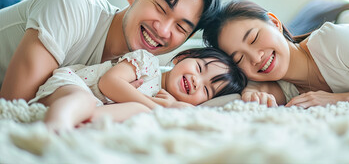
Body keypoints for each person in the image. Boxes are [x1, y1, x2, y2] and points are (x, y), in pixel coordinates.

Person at [0, 0, 221, 102]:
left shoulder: (142, 74)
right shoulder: (72, 3)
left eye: (181, 27)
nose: (163, 31)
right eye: (161, 8)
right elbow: (14, 106)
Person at [203, 0, 349, 108]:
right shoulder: (286, 88)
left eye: (253, 38)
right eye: (239, 59)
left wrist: (338, 100)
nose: (255, 57)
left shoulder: (332, 41)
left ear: (274, 23)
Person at [28, 47, 247, 131]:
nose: (197, 81)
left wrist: (168, 106)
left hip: (92, 107)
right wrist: (156, 107)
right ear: (182, 57)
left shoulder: (157, 105)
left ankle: (77, 126)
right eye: (199, 68)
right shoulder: (148, 64)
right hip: (72, 85)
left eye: (207, 90)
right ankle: (55, 127)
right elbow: (108, 83)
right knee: (84, 101)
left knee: (137, 110)